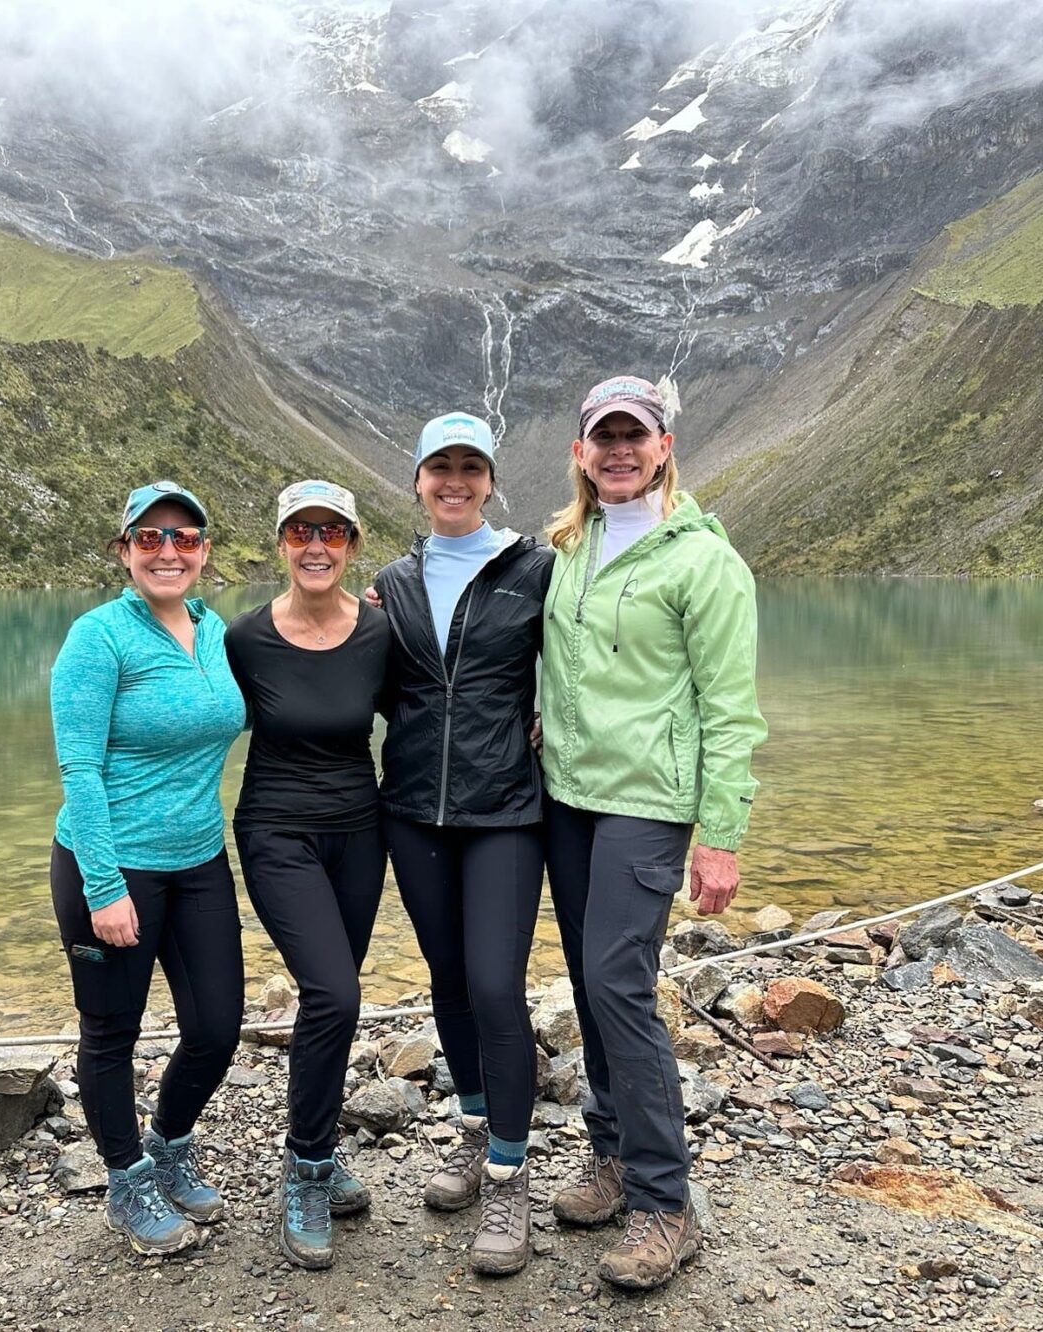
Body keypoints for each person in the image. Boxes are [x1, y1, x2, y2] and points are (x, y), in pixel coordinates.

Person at [539, 375, 766, 1291]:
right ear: (581, 452)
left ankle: (667, 1203)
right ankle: (613, 1154)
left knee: (617, 984)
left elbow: (731, 708)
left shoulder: (704, 561)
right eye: (605, 437)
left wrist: (721, 831)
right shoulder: (570, 545)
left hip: (648, 804)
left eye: (636, 436)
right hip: (568, 797)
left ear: (665, 445)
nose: (620, 451)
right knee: (590, 988)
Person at [373, 412, 553, 1276]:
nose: (454, 480)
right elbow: (368, 683)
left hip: (507, 813)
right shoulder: (391, 582)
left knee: (494, 985)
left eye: (469, 467)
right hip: (412, 811)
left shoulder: (537, 569)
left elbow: (582, 667)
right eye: (439, 467)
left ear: (490, 478)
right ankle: (473, 1130)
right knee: (447, 982)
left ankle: (511, 1172)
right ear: (417, 480)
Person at [49, 480, 248, 1257]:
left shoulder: (214, 629)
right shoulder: (98, 638)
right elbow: (80, 768)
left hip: (199, 859)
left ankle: (168, 1143)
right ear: (124, 551)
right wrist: (104, 886)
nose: (169, 551)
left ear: (203, 553)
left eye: (185, 538)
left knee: (217, 1026)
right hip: (110, 864)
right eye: (151, 537)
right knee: (111, 1031)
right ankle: (126, 1177)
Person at [225, 479, 392, 1270]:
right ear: (281, 544)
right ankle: (305, 1169)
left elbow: (430, 713)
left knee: (333, 1002)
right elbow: (197, 720)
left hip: (361, 835)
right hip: (276, 833)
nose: (316, 545)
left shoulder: (380, 632)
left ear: (353, 543)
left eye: (331, 531)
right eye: (301, 532)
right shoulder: (245, 639)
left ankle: (318, 1146)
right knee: (335, 992)